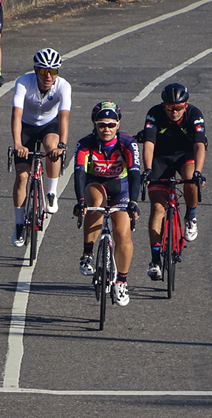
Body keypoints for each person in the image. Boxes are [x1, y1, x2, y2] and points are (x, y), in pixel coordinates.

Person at [73, 102, 141, 306]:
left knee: (122, 232)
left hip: (121, 187)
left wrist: (134, 202)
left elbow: (135, 175)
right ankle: (87, 253)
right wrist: (80, 202)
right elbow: (79, 175)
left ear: (118, 124)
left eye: (111, 124)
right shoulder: (85, 144)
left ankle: (122, 281)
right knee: (94, 202)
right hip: (96, 183)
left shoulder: (128, 144)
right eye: (102, 124)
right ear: (94, 124)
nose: (107, 129)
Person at [139, 83, 207, 281]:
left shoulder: (195, 114)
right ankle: (154, 260)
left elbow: (200, 146)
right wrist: (148, 170)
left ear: (185, 106)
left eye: (178, 108)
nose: (174, 111)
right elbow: (149, 144)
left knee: (190, 181)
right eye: (170, 108)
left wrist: (198, 172)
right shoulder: (154, 113)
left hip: (185, 155)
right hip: (160, 157)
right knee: (158, 209)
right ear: (164, 106)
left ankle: (190, 216)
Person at [11, 48, 71, 247]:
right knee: (21, 176)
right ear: (35, 70)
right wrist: (18, 144)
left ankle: (51, 194)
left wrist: (62, 145)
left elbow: (63, 117)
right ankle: (19, 223)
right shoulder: (23, 82)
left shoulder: (63, 86)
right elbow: (17, 115)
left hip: (49, 125)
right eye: (44, 71)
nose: (48, 76)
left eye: (53, 72)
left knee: (52, 146)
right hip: (26, 126)